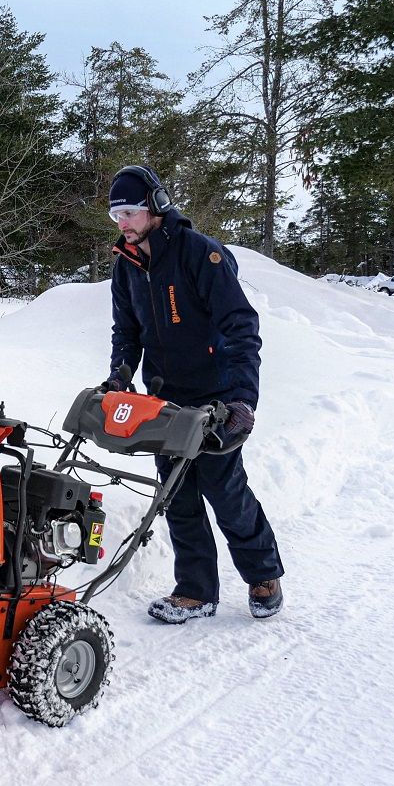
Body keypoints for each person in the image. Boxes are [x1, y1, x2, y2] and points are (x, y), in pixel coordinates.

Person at [104, 165, 284, 623]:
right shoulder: (126, 264)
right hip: (164, 399)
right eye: (116, 215)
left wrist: (243, 398)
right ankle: (196, 591)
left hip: (217, 397)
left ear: (156, 206)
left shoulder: (200, 254)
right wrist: (119, 378)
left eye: (130, 211)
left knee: (225, 491)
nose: (123, 223)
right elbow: (127, 331)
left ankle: (263, 574)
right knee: (176, 493)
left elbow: (240, 328)